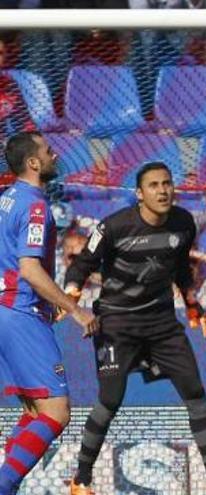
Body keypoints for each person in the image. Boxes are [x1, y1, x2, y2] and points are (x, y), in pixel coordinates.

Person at [64, 162, 206, 495]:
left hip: (162, 323)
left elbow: (179, 269)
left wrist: (192, 304)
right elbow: (80, 266)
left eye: (167, 183)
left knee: (195, 394)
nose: (162, 190)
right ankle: (80, 480)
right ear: (139, 194)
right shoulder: (114, 227)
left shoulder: (183, 223)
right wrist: (72, 295)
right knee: (110, 399)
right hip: (117, 324)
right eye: (153, 185)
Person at [0, 132, 98, 494]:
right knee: (57, 412)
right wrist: (75, 309)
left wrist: (47, 301)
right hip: (21, 311)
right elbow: (29, 269)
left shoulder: (6, 199)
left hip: (9, 311)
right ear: (34, 163)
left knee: (35, 412)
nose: (55, 154)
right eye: (48, 150)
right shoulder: (35, 205)